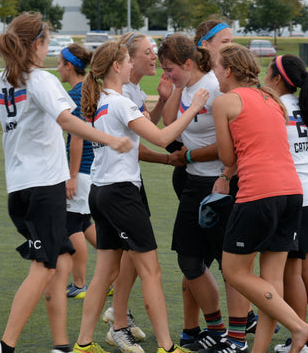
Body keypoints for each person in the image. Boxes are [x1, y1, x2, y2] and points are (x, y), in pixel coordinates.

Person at [0, 12, 132, 353]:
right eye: (47, 42)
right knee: (44, 265)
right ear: (37, 44)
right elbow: (68, 120)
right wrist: (109, 140)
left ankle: (62, 345)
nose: (49, 48)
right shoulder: (41, 80)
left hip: (18, 191)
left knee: (61, 262)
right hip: (45, 190)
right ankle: (5, 345)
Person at [73, 40, 209, 353]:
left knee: (104, 273)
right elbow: (162, 137)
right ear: (117, 67)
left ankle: (83, 344)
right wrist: (195, 105)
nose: (133, 65)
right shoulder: (120, 103)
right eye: (127, 61)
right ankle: (167, 347)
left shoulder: (101, 102)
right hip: (121, 195)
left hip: (101, 192)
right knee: (151, 271)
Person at [211, 43, 308, 353]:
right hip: (292, 193)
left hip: (259, 194)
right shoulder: (272, 100)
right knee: (271, 279)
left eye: (216, 66)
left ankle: (298, 327)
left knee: (234, 272)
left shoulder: (225, 102)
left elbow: (228, 156)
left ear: (228, 71)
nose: (214, 72)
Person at [158, 32, 251, 353]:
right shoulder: (187, 87)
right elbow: (170, 124)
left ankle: (237, 339)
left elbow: (233, 145)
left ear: (187, 62)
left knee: (231, 264)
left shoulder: (214, 87)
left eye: (170, 68)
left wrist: (192, 156)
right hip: (194, 183)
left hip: (223, 183)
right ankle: (216, 329)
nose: (165, 74)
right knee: (189, 259)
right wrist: (176, 87)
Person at [102, 32, 179, 353]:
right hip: (116, 183)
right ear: (128, 60)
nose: (155, 57)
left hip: (121, 182)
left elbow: (142, 130)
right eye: (148, 52)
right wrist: (169, 159)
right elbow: (148, 141)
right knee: (133, 259)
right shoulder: (120, 94)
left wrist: (161, 101)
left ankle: (115, 318)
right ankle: (119, 322)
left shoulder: (132, 90)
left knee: (127, 259)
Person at [264, 55, 308, 353]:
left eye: (267, 72)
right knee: (307, 269)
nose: (263, 76)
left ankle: (300, 340)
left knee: (291, 272)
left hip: (300, 198)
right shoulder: (304, 105)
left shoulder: (275, 107)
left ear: (278, 78)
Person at [57, 43, 97, 300]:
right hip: (91, 169)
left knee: (72, 225)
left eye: (60, 63)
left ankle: (80, 283)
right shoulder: (88, 90)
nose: (58, 68)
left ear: (70, 66)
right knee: (84, 223)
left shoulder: (75, 94)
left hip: (81, 170)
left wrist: (71, 176)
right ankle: (111, 272)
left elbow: (78, 139)